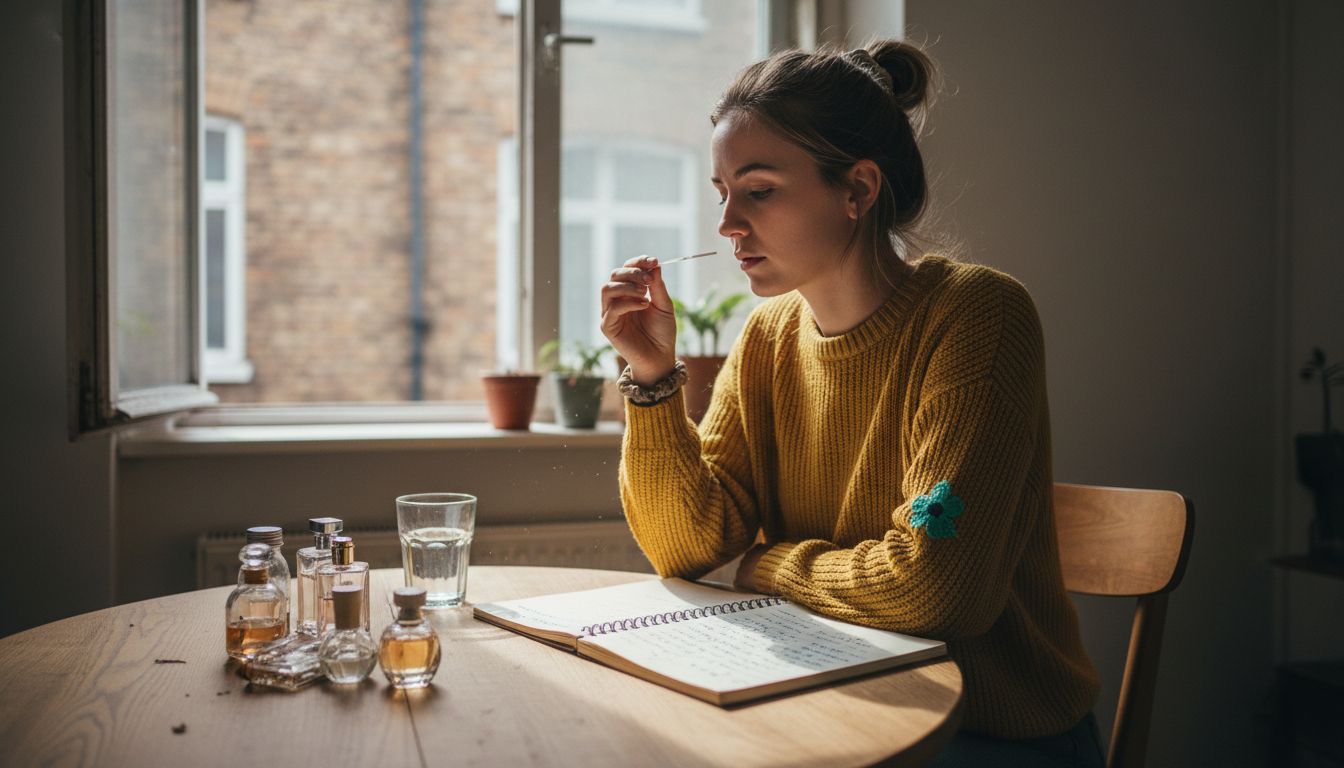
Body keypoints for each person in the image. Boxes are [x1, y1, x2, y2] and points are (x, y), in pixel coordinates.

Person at [599, 40, 1103, 766]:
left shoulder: (978, 316)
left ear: (858, 191)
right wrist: (651, 378)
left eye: (760, 190)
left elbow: (938, 589)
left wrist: (771, 565)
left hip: (991, 734)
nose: (728, 225)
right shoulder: (769, 338)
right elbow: (685, 547)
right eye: (722, 194)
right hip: (835, 709)